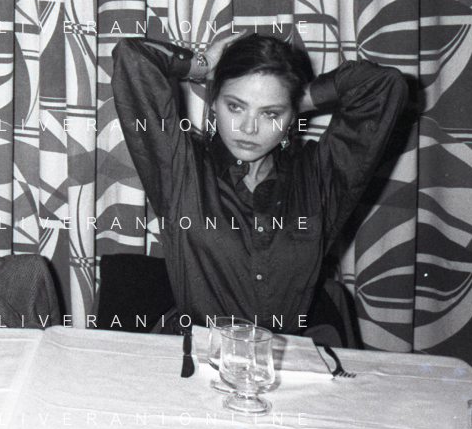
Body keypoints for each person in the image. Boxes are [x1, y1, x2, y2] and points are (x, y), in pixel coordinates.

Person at [111, 32, 408, 335]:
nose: (249, 128)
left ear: (291, 118)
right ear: (214, 102)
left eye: (270, 113)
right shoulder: (181, 169)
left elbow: (385, 85)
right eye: (235, 106)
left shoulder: (320, 178)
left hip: (281, 360)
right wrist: (204, 63)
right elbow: (133, 55)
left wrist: (296, 97)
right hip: (198, 355)